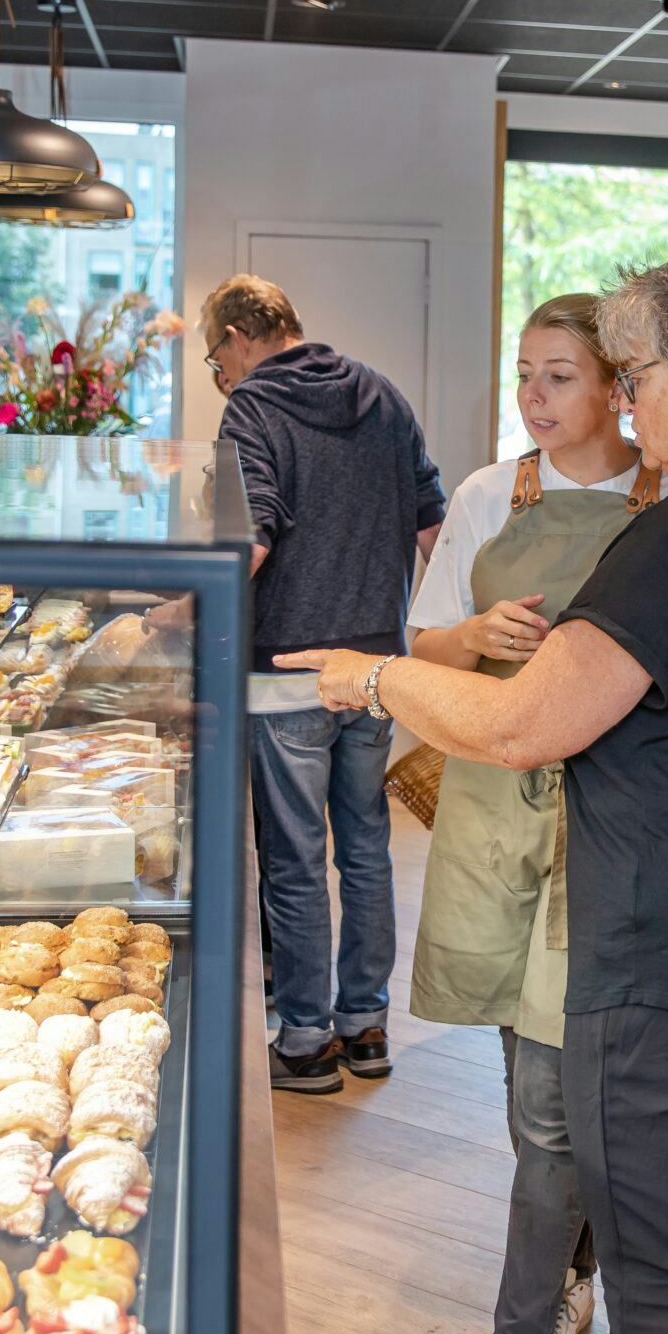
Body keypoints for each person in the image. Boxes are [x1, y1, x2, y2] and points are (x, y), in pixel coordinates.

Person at [278, 250, 668, 1334]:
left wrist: (370, 679)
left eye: (637, 372)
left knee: (665, 1288)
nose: (624, 398)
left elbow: (524, 726)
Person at [408, 294, 668, 1334]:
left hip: (613, 827)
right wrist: (472, 637)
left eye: (558, 375)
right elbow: (422, 644)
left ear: (619, 386)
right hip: (491, 822)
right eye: (524, 375)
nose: (533, 396)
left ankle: (524, 1332)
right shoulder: (488, 494)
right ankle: (574, 1276)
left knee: (553, 1106)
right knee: (533, 1085)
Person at [200, 273, 447, 1093]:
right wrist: (433, 642)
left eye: (214, 360)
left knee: (295, 858)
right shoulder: (381, 394)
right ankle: (365, 1027)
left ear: (239, 336)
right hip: (376, 670)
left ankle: (305, 1041)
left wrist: (186, 605)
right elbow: (432, 526)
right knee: (367, 846)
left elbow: (255, 536)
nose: (221, 377)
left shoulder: (253, 408)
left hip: (288, 675)